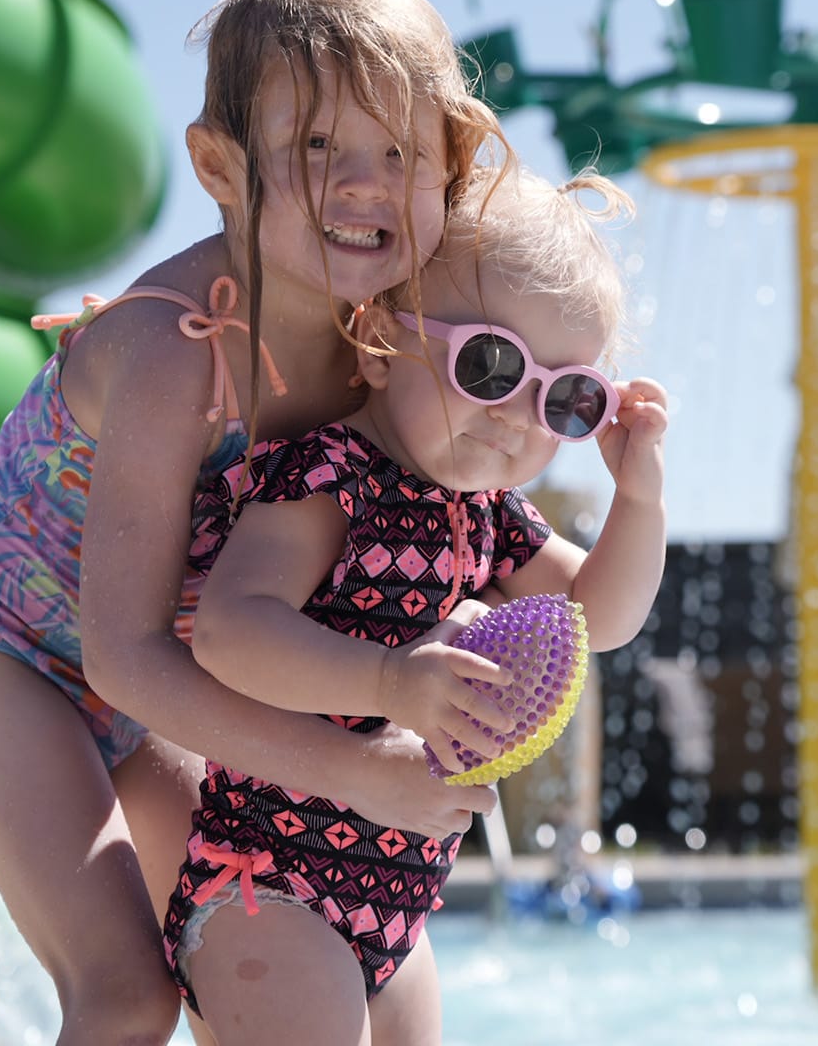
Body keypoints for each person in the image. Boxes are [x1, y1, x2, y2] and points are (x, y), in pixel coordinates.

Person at [0, 0, 518, 1045]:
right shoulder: (171, 354)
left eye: (399, 152)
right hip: (6, 644)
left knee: (255, 935)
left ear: (452, 165)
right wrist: (346, 769)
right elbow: (122, 657)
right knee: (128, 992)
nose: (365, 183)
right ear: (221, 167)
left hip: (167, 667)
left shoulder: (393, 346)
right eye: (319, 148)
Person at [159, 165, 670, 1046]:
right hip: (267, 888)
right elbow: (230, 630)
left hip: (396, 915)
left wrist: (640, 501)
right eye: (492, 364)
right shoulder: (329, 477)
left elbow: (601, 617)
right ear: (378, 337)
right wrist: (392, 682)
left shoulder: (489, 516)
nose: (519, 415)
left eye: (568, 398)